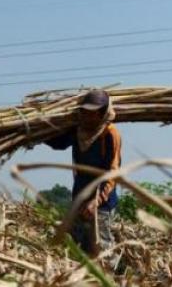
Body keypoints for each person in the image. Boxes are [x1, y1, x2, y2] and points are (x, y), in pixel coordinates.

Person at [45, 89, 120, 261]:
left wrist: (96, 201)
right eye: (83, 112)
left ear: (102, 114)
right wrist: (35, 134)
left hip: (101, 203)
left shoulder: (110, 134)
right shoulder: (78, 131)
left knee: (102, 250)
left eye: (91, 113)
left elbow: (113, 172)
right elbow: (59, 143)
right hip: (80, 197)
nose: (86, 116)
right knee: (76, 247)